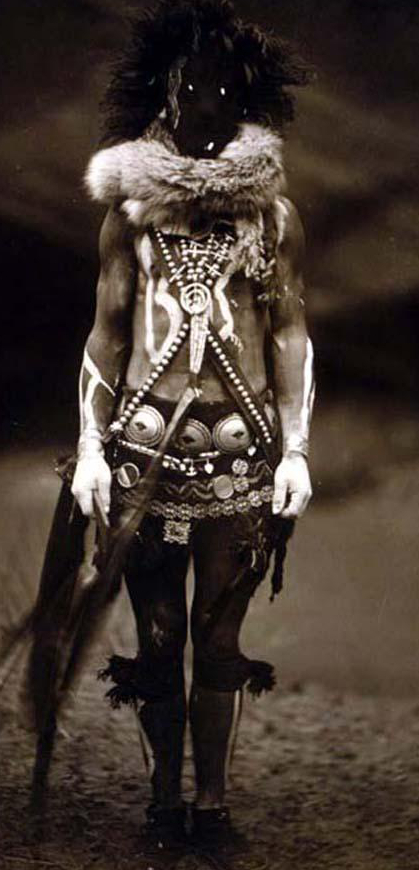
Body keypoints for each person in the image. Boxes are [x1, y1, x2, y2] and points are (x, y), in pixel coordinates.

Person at [70, 0, 314, 853]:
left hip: (241, 465)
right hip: (143, 460)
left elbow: (288, 333)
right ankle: (161, 800)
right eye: (188, 88)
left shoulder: (270, 218)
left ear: (244, 102)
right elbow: (106, 334)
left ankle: (209, 805)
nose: (203, 105)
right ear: (163, 95)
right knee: (158, 639)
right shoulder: (130, 216)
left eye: (221, 91)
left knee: (216, 640)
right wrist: (91, 447)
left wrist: (295, 452)